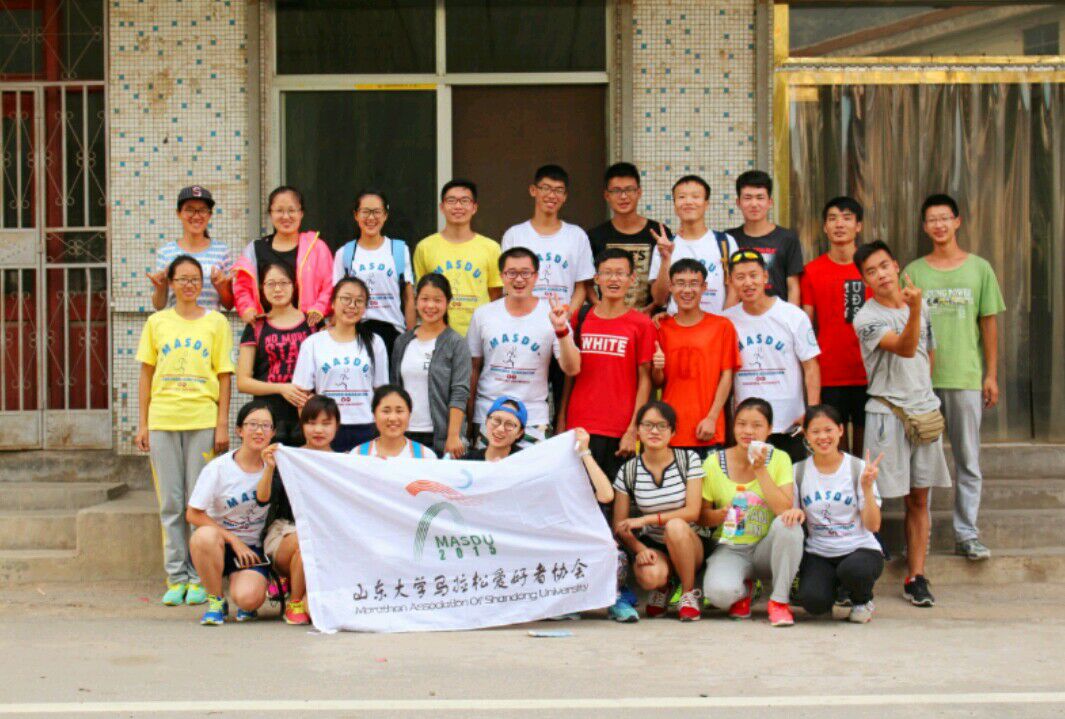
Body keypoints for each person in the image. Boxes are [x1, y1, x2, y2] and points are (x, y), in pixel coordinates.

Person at [904, 194, 1005, 562]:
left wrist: (990, 374)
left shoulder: (979, 269)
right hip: (922, 382)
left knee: (968, 459)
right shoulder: (913, 272)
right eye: (932, 219)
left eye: (945, 218)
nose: (939, 225)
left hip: (965, 376)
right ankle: (921, 539)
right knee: (922, 463)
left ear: (957, 221)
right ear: (924, 226)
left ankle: (967, 534)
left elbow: (988, 323)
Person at [853, 240, 951, 608]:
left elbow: (928, 354)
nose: (880, 275)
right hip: (886, 413)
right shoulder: (866, 318)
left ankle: (916, 576)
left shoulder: (919, 306)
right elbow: (906, 347)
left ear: (896, 266)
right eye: (871, 272)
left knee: (920, 498)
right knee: (872, 496)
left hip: (923, 413)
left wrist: (923, 393)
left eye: (884, 266)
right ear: (865, 280)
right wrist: (915, 310)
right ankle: (859, 577)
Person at [134, 255, 234, 608]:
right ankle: (176, 577)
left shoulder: (217, 322)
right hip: (163, 420)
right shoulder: (157, 322)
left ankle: (198, 576)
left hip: (202, 420)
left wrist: (222, 423)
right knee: (171, 503)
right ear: (171, 283)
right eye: (182, 279)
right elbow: (146, 374)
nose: (189, 285)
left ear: (202, 283)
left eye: (195, 279)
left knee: (198, 501)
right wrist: (143, 423)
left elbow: (224, 375)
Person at [701, 398, 804, 627]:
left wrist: (761, 471)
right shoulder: (713, 462)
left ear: (769, 429)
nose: (748, 431)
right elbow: (702, 517)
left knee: (789, 525)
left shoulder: (780, 459)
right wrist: (721, 514)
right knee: (719, 595)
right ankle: (744, 590)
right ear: (733, 426)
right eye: (742, 424)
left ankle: (779, 602)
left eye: (757, 425)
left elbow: (783, 509)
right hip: (731, 548)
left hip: (767, 547)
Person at [560, 248, 655, 488]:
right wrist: (561, 420)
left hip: (619, 429)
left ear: (632, 279)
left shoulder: (642, 324)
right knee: (578, 494)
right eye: (607, 273)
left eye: (620, 273)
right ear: (597, 278)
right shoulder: (580, 318)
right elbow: (569, 376)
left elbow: (645, 380)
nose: (614, 279)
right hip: (579, 425)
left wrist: (633, 429)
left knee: (614, 496)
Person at [466, 248, 580, 445]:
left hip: (533, 418)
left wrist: (561, 330)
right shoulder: (483, 314)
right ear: (502, 276)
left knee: (532, 467)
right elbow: (473, 368)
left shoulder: (552, 314)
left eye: (526, 273)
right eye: (512, 273)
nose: (519, 279)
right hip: (488, 415)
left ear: (536, 276)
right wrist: (469, 417)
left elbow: (572, 368)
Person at [724, 249, 821, 462]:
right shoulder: (726, 321)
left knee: (789, 480)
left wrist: (812, 411)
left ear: (765, 277)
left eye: (753, 275)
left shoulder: (793, 316)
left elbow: (811, 367)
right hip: (747, 427)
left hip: (789, 424)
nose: (748, 283)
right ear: (730, 281)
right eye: (740, 277)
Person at [612, 401, 706, 621]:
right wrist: (640, 548)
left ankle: (687, 593)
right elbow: (620, 524)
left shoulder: (688, 460)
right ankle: (664, 586)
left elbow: (693, 512)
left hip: (690, 544)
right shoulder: (628, 470)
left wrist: (646, 519)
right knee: (649, 575)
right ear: (638, 431)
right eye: (647, 425)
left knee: (675, 526)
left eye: (662, 426)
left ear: (673, 432)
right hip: (656, 545)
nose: (654, 431)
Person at [793, 405, 885, 624]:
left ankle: (862, 600)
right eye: (815, 431)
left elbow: (873, 526)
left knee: (853, 570)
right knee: (813, 602)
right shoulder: (798, 471)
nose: (823, 437)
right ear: (806, 434)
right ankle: (830, 589)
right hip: (819, 552)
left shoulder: (858, 468)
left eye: (829, 430)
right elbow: (791, 514)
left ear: (841, 430)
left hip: (859, 549)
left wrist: (867, 488)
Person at [186, 400, 275, 625]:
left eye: (265, 426)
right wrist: (234, 541)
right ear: (239, 430)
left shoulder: (276, 466)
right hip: (220, 543)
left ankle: (249, 590)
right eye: (252, 424)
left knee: (248, 599)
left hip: (252, 548)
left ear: (273, 433)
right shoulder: (218, 468)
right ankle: (216, 600)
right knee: (203, 536)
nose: (259, 431)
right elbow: (193, 514)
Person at [258, 395, 341, 626]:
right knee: (307, 540)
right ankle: (294, 601)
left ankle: (298, 587)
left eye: (326, 423)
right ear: (302, 425)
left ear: (337, 426)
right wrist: (269, 468)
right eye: (311, 423)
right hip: (286, 532)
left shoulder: (345, 462)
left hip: (328, 538)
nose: (318, 430)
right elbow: (263, 499)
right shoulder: (288, 457)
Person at [800, 197, 872, 455]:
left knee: (866, 449)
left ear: (858, 226)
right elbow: (805, 325)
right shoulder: (811, 271)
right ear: (825, 227)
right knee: (835, 448)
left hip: (869, 372)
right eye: (832, 219)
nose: (839, 224)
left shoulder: (872, 269)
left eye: (847, 218)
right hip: (829, 374)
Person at [654, 258, 740, 459]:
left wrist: (712, 417)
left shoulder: (722, 326)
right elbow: (658, 382)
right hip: (670, 431)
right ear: (671, 287)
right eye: (680, 283)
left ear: (704, 287)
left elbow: (727, 376)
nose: (687, 290)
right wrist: (657, 367)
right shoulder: (661, 327)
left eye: (694, 283)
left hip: (708, 430)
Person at [291, 277, 389, 452]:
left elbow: (381, 392)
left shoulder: (376, 342)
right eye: (346, 298)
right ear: (333, 303)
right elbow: (301, 396)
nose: (352, 305)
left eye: (359, 301)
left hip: (366, 427)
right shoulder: (313, 343)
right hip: (326, 429)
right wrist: (312, 435)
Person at [390, 273, 470, 458]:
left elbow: (460, 392)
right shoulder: (402, 341)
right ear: (416, 301)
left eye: (437, 300)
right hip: (404, 433)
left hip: (440, 437)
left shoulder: (456, 343)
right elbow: (394, 388)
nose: (430, 306)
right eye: (425, 299)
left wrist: (453, 436)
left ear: (448, 302)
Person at [233, 186, 333, 328]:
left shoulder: (317, 247)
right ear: (270, 213)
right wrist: (247, 309)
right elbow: (242, 287)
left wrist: (320, 308)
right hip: (265, 331)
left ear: (301, 213)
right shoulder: (255, 249)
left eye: (292, 210)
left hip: (309, 328)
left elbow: (330, 284)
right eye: (279, 211)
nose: (286, 216)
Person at [500, 164, 595, 314]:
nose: (552, 195)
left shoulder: (577, 236)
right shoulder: (514, 235)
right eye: (546, 188)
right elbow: (506, 284)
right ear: (533, 190)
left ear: (565, 196)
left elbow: (581, 286)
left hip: (562, 319)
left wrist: (567, 316)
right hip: (523, 319)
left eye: (559, 190)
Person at [412, 179, 502, 336]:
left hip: (479, 334)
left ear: (474, 207)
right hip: (438, 334)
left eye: (465, 201)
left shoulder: (491, 248)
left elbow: (495, 294)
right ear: (442, 207)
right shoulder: (425, 247)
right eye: (451, 201)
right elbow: (422, 294)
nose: (458, 206)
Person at [236, 263, 312, 446]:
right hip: (268, 418)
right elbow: (243, 382)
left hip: (306, 416)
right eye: (270, 284)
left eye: (283, 283)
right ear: (261, 288)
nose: (277, 289)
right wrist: (281, 388)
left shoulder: (312, 323)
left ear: (294, 285)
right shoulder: (256, 326)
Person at [332, 189, 415, 353]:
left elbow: (409, 298)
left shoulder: (399, 249)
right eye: (365, 212)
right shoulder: (345, 253)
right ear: (356, 215)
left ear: (385, 215)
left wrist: (410, 338)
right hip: (356, 331)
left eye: (377, 212)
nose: (371, 218)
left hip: (394, 332)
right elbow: (338, 300)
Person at [585, 162, 671, 310]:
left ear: (639, 192)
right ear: (607, 195)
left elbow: (668, 285)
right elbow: (586, 284)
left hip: (650, 319)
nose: (623, 196)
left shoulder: (659, 233)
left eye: (629, 190)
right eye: (616, 191)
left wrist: (651, 309)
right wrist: (604, 309)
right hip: (609, 319)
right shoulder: (595, 236)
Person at [649, 175, 737, 316]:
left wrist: (723, 322)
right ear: (675, 205)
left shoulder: (725, 242)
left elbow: (734, 289)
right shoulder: (665, 246)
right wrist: (666, 258)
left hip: (716, 325)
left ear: (706, 203)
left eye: (695, 196)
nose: (688, 202)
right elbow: (659, 300)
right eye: (682, 197)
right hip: (677, 326)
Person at [148, 185, 234, 311]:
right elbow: (159, 305)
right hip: (177, 323)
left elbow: (229, 305)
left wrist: (221, 288)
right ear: (178, 213)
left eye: (203, 210)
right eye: (189, 210)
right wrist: (161, 287)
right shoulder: (166, 252)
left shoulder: (222, 251)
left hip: (210, 323)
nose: (196, 216)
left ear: (210, 214)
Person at [726, 170, 804, 304]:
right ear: (738, 202)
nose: (754, 204)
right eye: (748, 198)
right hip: (740, 313)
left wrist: (792, 315)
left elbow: (793, 287)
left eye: (760, 198)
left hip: (777, 313)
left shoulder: (787, 238)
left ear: (770, 202)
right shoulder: (729, 239)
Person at [352, 385, 438, 459]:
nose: (393, 418)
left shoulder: (426, 457)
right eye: (386, 411)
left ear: (409, 414)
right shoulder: (357, 455)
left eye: (399, 411)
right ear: (374, 415)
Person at [464, 397, 527, 462]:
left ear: (519, 433)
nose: (500, 429)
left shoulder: (526, 463)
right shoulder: (467, 461)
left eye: (509, 424)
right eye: (496, 420)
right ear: (486, 421)